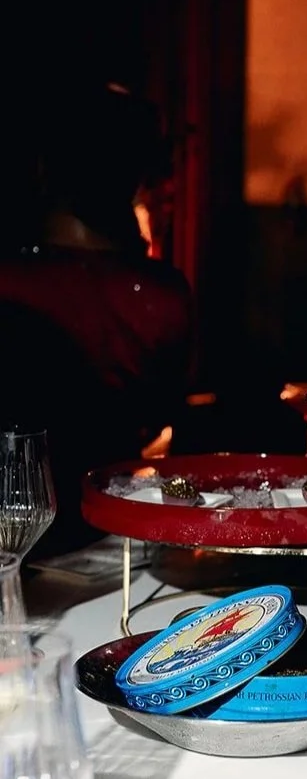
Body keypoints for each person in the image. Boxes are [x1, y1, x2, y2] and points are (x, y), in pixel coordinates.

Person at [0, 79, 194, 558]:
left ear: (43, 169)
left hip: (40, 531)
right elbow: (161, 417)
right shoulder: (160, 292)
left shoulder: (14, 280)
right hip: (112, 530)